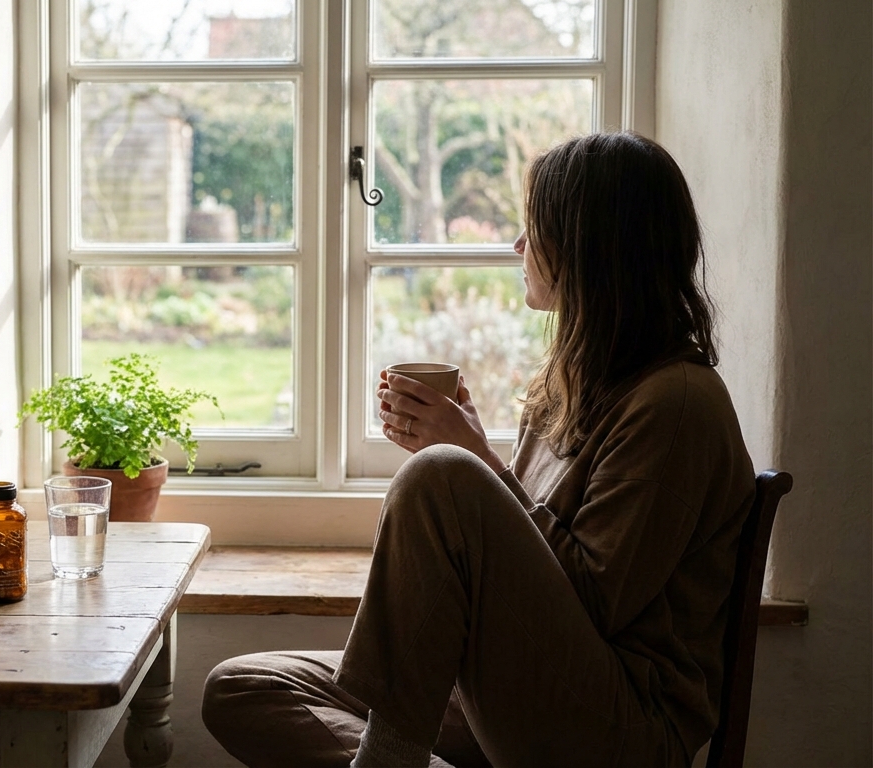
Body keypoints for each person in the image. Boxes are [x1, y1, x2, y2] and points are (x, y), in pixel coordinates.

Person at [201, 132, 756, 768]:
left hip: (617, 726)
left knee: (440, 474)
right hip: (506, 692)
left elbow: (595, 606)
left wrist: (469, 462)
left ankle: (389, 758)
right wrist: (473, 449)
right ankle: (395, 753)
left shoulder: (677, 404)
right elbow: (519, 569)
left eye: (533, 230)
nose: (517, 247)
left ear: (590, 248)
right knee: (244, 687)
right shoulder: (566, 386)